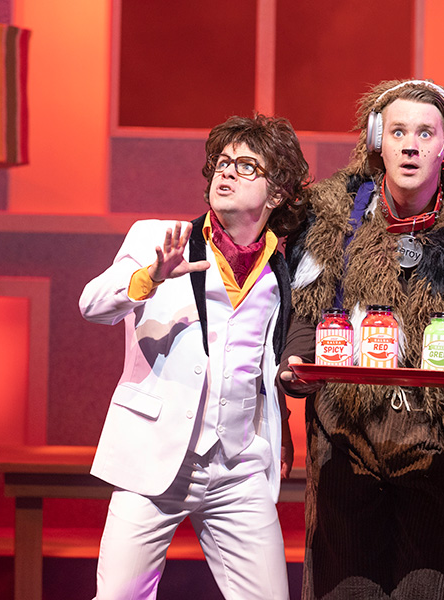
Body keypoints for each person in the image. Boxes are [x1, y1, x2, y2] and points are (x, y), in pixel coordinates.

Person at [277, 79, 444, 599]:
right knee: (344, 586)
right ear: (377, 140)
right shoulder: (332, 217)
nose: (410, 145)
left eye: (425, 133)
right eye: (397, 132)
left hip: (435, 436)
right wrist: (296, 363)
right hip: (345, 435)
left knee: (423, 586)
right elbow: (308, 304)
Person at [79, 114, 310, 600]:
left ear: (278, 193)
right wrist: (151, 278)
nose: (226, 172)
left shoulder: (280, 273)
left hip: (238, 466)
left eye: (247, 166)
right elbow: (93, 306)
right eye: (223, 162)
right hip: (155, 457)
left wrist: (281, 430)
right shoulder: (158, 239)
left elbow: (260, 365)